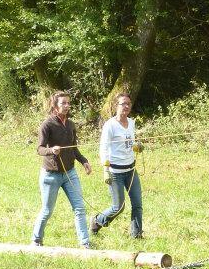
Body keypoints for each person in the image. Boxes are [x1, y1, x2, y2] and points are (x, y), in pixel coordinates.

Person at [32, 91, 93, 248]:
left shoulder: (71, 124)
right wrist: (51, 150)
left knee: (79, 208)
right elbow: (39, 149)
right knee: (47, 211)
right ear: (55, 106)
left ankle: (85, 243)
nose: (66, 106)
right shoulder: (47, 125)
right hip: (51, 175)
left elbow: (74, 148)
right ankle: (36, 240)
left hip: (70, 173)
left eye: (68, 103)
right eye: (63, 103)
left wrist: (83, 161)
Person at [91, 93, 144, 238]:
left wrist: (136, 146)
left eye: (128, 103)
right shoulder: (110, 125)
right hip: (115, 172)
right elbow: (104, 148)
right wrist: (105, 170)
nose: (126, 106)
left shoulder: (132, 123)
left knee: (137, 204)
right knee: (118, 207)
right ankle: (97, 221)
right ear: (116, 106)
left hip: (131, 170)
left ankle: (137, 235)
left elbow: (129, 142)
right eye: (123, 104)